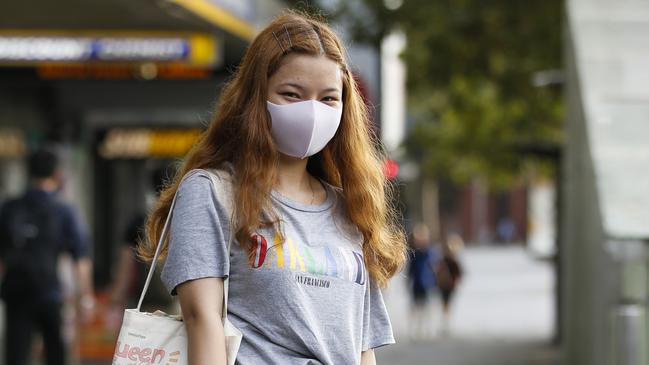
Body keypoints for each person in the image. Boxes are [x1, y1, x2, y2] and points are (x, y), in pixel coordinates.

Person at [138, 12, 408, 365]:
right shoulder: (212, 192)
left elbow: (361, 349)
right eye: (292, 94)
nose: (311, 111)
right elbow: (201, 321)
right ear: (255, 97)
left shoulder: (351, 208)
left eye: (328, 98)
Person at [0, 148, 94, 365]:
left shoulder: (11, 207)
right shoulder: (64, 210)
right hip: (51, 293)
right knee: (56, 354)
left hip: (16, 293)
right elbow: (80, 257)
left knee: (16, 355)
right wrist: (85, 297)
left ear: (29, 172)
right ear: (56, 174)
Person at [407, 223, 440, 339]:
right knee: (415, 308)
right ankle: (416, 330)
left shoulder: (431, 253)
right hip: (416, 284)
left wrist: (436, 282)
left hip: (427, 284)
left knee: (427, 308)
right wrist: (408, 282)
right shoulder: (413, 254)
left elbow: (435, 269)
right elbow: (410, 269)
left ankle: (428, 330)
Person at [435, 233, 464, 332]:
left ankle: (446, 321)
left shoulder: (453, 262)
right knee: (444, 303)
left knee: (447, 303)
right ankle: (445, 321)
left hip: (450, 286)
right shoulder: (443, 260)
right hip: (443, 286)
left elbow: (459, 274)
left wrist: (455, 281)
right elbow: (437, 272)